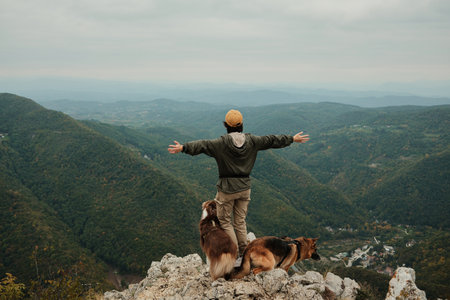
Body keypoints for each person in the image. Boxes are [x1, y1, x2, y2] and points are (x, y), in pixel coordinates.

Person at [167, 109, 309, 261]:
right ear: (241, 125)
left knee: (225, 221)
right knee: (240, 221)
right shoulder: (252, 141)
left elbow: (202, 145)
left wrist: (183, 148)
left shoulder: (221, 143)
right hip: (244, 187)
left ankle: (234, 254)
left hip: (227, 189)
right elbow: (271, 140)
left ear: (226, 125)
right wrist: (292, 139)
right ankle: (245, 253)